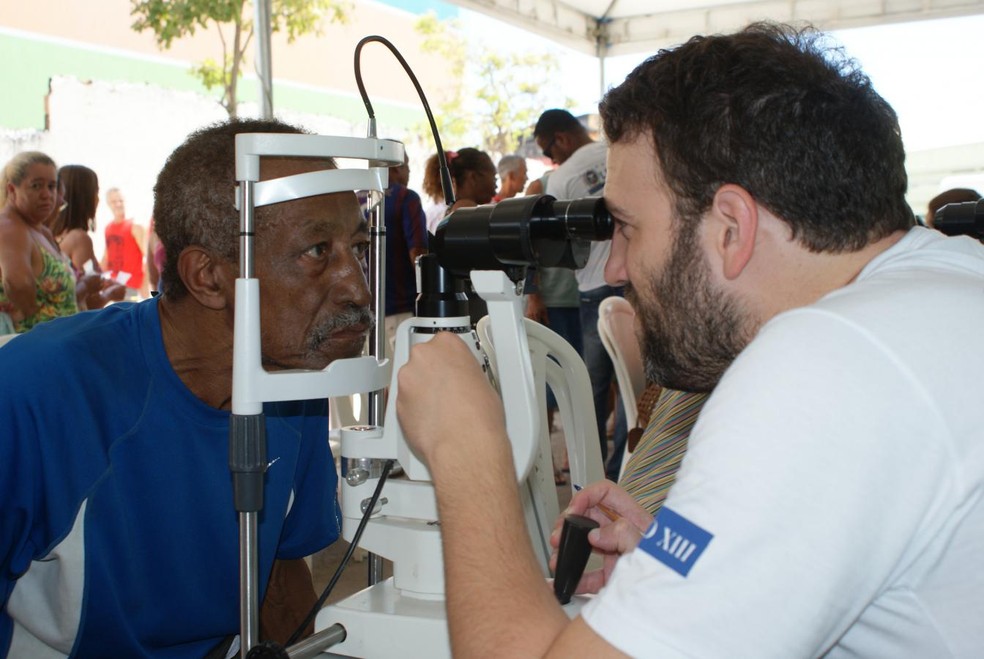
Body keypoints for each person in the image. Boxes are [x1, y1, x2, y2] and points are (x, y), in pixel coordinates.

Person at [395, 22, 984, 657]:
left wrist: (466, 446)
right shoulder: (945, 284)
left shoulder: (824, 366)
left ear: (731, 227)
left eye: (627, 227)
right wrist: (694, 568)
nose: (616, 268)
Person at [0, 118, 374, 656]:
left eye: (357, 246)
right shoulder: (41, 389)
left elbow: (278, 582)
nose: (358, 287)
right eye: (317, 251)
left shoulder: (292, 385)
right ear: (208, 276)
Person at [534, 108, 627, 476]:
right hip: (634, 284)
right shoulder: (618, 152)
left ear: (562, 138)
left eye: (548, 149)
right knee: (630, 387)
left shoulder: (562, 180)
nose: (549, 158)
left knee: (591, 385)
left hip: (593, 290)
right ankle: (623, 469)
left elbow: (560, 249)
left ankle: (588, 469)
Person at [0, 152, 106, 333]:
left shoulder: (39, 230)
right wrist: (34, 316)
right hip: (31, 348)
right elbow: (18, 284)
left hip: (55, 344)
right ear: (12, 190)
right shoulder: (9, 226)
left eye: (52, 186)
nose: (47, 194)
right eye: (36, 186)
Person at [49, 164, 126, 309]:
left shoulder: (48, 236)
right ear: (84, 197)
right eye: (96, 192)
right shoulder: (79, 239)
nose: (98, 199)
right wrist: (111, 294)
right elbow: (90, 302)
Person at [381, 152, 428, 355]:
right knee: (402, 382)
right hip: (400, 310)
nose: (408, 173)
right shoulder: (406, 198)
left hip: (367, 314)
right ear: (396, 168)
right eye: (407, 167)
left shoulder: (358, 198)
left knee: (375, 384)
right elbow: (418, 254)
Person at [422, 147, 498, 234]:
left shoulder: (452, 208)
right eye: (494, 178)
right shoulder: (467, 209)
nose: (496, 186)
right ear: (473, 177)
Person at [101, 186, 148, 299]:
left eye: (120, 200)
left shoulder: (136, 226)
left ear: (125, 201)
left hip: (132, 289)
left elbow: (149, 259)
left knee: (131, 315)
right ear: (108, 204)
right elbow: (106, 258)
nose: (118, 204)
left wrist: (146, 288)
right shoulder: (108, 228)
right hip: (114, 286)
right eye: (113, 201)